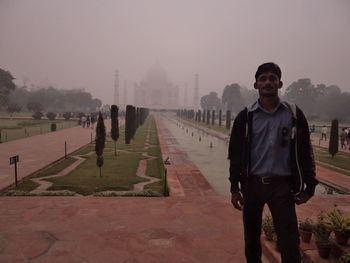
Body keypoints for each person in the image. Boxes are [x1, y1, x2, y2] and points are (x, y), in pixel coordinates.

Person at [228, 62, 318, 263]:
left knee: (289, 242)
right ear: (256, 85)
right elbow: (235, 154)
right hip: (252, 185)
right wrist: (235, 187)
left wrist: (310, 187)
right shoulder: (246, 116)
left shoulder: (293, 114)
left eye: (272, 78)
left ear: (280, 83)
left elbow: (304, 151)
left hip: (282, 187)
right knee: (251, 240)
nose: (268, 82)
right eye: (263, 78)